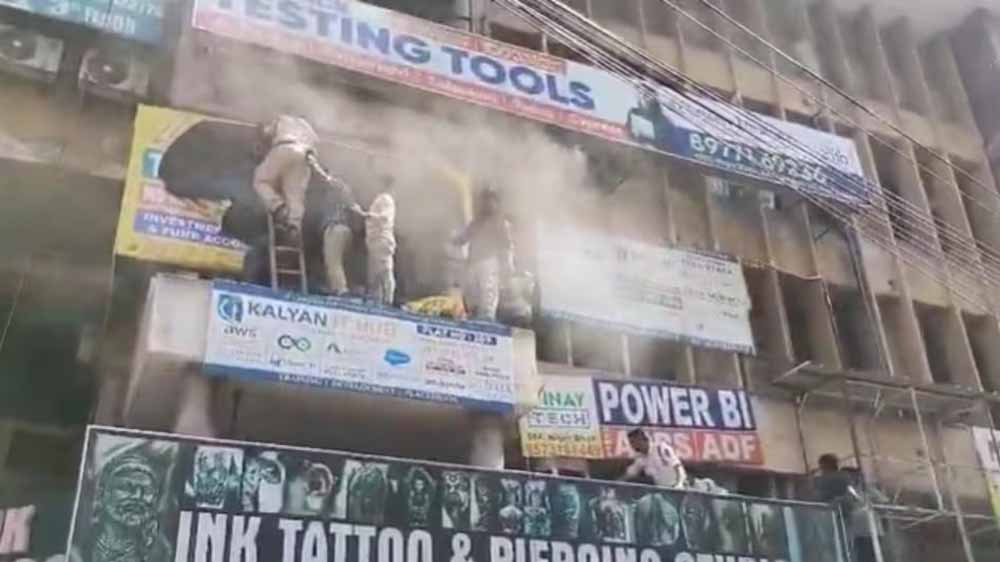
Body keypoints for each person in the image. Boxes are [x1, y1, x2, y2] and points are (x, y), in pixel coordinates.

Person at [252, 114, 320, 244]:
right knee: (295, 195)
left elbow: (267, 133)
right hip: (304, 156)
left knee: (261, 180)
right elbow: (316, 143)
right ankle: (294, 226)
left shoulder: (283, 119)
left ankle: (278, 207)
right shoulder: (307, 126)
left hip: (284, 148)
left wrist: (260, 129)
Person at [453, 187, 514, 321]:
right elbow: (464, 238)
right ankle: (472, 316)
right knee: (471, 292)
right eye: (485, 199)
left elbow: (507, 246)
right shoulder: (477, 221)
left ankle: (487, 319)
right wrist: (454, 240)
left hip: (489, 262)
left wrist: (507, 266)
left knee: (487, 293)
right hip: (473, 262)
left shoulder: (501, 223)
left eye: (491, 200)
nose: (487, 203)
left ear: (497, 202)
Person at [619, 429, 687, 489]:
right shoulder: (640, 459)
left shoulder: (661, 448)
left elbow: (679, 468)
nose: (632, 445)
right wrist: (616, 484)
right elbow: (629, 474)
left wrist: (679, 484)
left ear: (641, 439)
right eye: (630, 442)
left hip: (677, 488)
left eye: (632, 442)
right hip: (662, 491)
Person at [365, 176, 397, 305]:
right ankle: (377, 300)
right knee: (376, 272)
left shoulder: (385, 199)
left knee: (385, 271)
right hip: (375, 240)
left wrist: (369, 215)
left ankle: (388, 300)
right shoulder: (381, 199)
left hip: (382, 239)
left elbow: (385, 217)